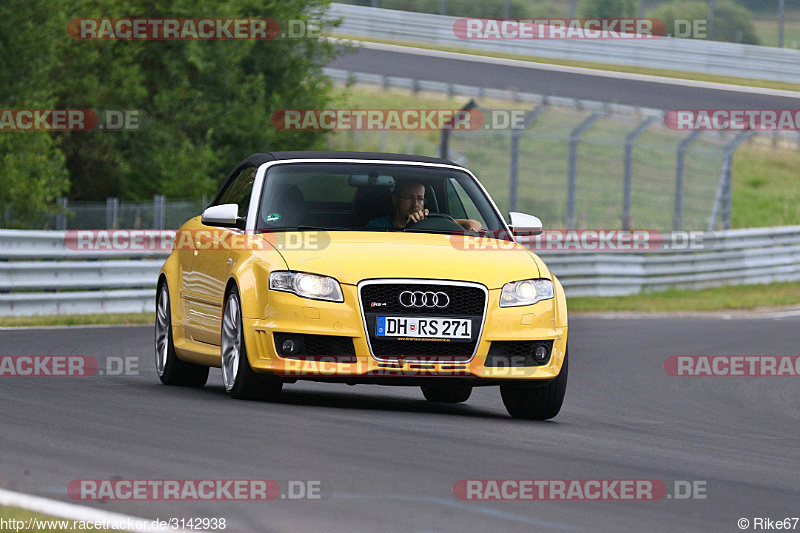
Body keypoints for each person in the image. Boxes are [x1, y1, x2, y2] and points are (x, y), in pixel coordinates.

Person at [367, 181, 482, 231]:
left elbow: (476, 224)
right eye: (409, 198)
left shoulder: (431, 223)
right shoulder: (377, 226)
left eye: (420, 199)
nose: (415, 204)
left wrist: (425, 223)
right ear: (395, 200)